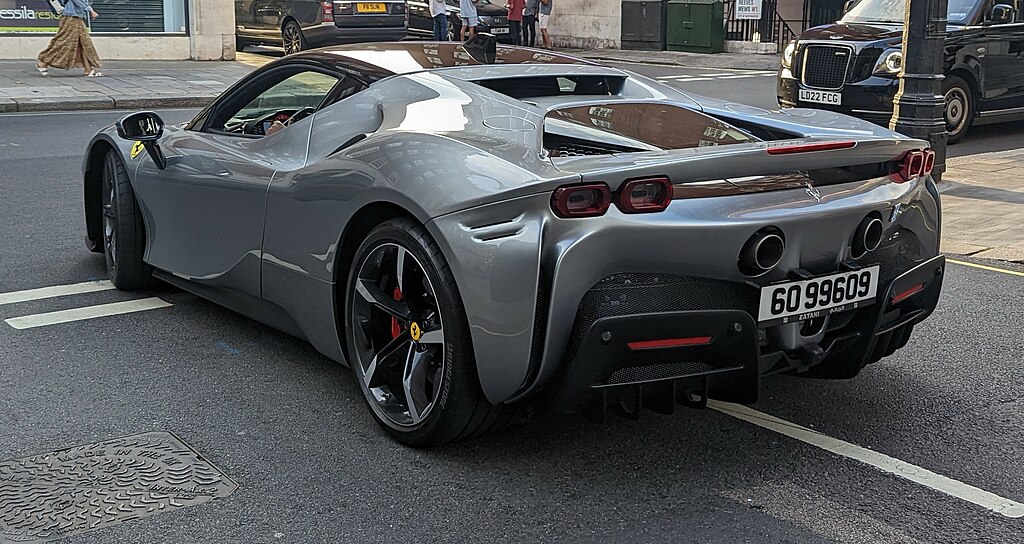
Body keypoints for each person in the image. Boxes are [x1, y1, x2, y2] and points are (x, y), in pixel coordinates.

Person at [36, 0, 102, 77]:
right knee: (65, 42)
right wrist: (90, 10)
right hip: (71, 18)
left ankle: (88, 70)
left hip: (75, 16)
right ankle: (43, 62)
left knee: (83, 43)